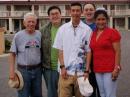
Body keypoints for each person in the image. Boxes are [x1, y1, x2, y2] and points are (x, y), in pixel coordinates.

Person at [53, 2, 92, 97]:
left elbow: (88, 51)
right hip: (66, 72)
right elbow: (60, 50)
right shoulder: (62, 29)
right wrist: (62, 67)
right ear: (70, 12)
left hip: (81, 73)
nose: (75, 13)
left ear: (81, 12)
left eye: (78, 10)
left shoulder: (87, 30)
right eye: (73, 10)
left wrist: (86, 71)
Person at [9, 12, 42, 97]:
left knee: (37, 95)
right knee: (23, 95)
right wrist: (11, 71)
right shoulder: (18, 36)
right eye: (29, 21)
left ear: (36, 23)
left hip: (37, 70)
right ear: (24, 23)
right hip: (23, 71)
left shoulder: (39, 34)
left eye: (33, 22)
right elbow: (12, 54)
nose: (31, 24)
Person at [90, 9, 121, 97]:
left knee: (110, 94)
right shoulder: (93, 33)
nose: (101, 22)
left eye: (103, 19)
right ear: (95, 21)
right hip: (97, 69)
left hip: (110, 69)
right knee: (102, 94)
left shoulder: (112, 32)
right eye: (98, 19)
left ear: (107, 20)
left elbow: (118, 51)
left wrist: (116, 68)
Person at [40, 6, 62, 97]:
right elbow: (39, 49)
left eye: (56, 13)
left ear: (61, 15)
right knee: (52, 93)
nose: (55, 16)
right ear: (49, 17)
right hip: (49, 68)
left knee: (65, 92)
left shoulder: (67, 28)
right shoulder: (43, 30)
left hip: (65, 68)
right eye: (52, 14)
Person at [83, 3, 101, 97]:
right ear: (83, 12)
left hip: (99, 63)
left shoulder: (100, 25)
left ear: (94, 11)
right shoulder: (80, 26)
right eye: (86, 10)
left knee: (101, 90)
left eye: (91, 9)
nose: (89, 11)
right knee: (89, 91)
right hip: (85, 65)